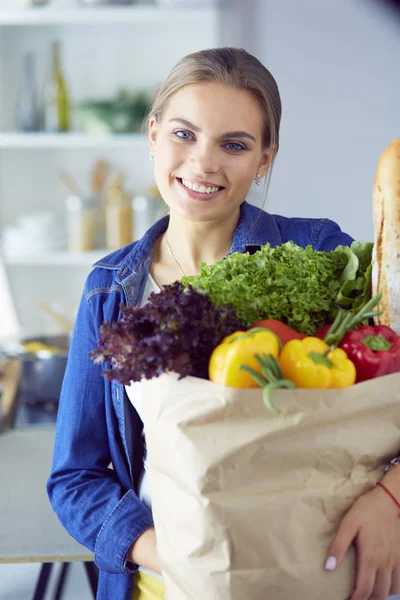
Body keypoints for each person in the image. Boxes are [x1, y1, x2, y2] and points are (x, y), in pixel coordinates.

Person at [47, 47, 400, 600]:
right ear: (153, 135)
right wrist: (181, 559)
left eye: (234, 145)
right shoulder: (110, 291)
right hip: (164, 587)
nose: (204, 164)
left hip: (309, 573)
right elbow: (75, 478)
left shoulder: (317, 252)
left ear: (265, 159)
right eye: (184, 135)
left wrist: (392, 498)